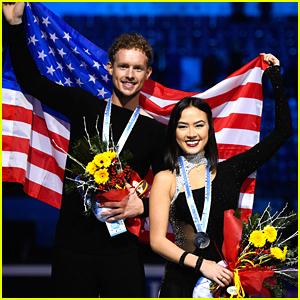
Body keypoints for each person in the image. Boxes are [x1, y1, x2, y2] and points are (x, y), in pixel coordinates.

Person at [3, 2, 166, 297]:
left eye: (137, 68)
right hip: (71, 248)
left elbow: (176, 185)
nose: (129, 74)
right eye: (123, 66)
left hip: (123, 252)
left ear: (147, 73)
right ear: (110, 67)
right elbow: (31, 81)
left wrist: (144, 206)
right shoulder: (84, 106)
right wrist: (14, 25)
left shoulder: (154, 131)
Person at [149, 53, 292, 297]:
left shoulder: (231, 170)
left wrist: (274, 76)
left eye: (199, 125)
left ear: (210, 129)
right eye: (183, 126)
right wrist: (203, 265)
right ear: (174, 132)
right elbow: (157, 241)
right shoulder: (166, 178)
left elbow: (282, 132)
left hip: (225, 281)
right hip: (179, 281)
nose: (191, 133)